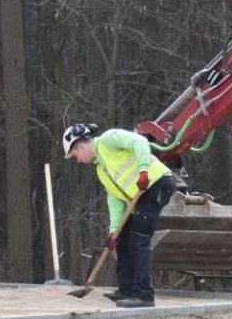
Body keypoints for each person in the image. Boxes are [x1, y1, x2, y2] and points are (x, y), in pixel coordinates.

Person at [63, 123, 175, 308]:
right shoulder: (101, 169)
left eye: (75, 155)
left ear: (80, 146)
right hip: (140, 194)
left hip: (156, 183)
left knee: (139, 240)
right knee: (123, 239)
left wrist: (143, 170)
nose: (78, 160)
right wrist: (114, 231)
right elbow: (114, 199)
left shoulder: (109, 139)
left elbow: (139, 141)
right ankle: (126, 289)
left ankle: (144, 295)